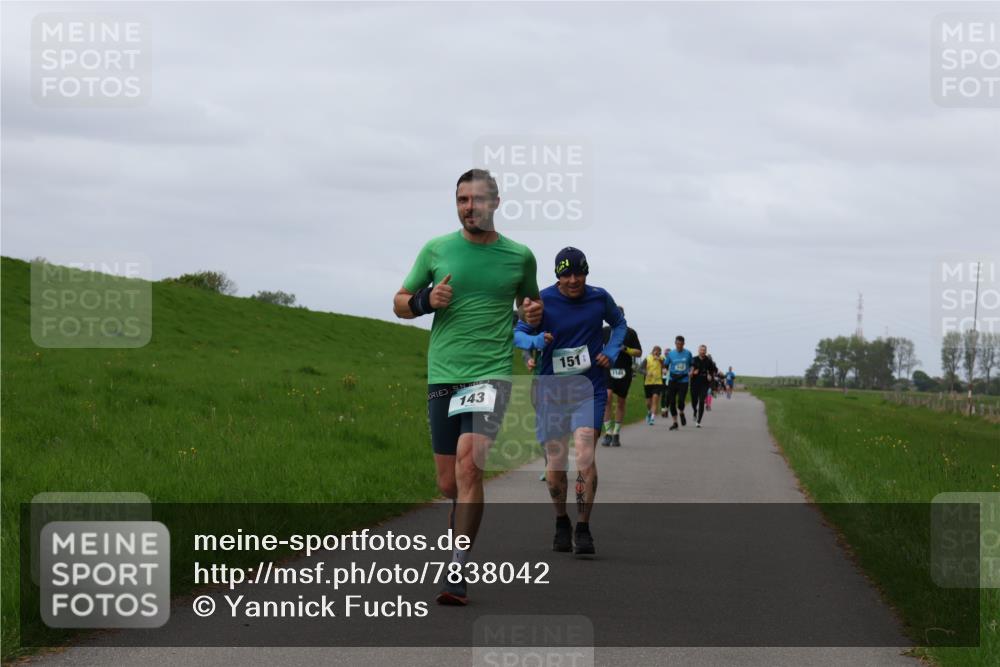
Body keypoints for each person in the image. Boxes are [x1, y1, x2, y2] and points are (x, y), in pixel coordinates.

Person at [393, 168, 541, 605]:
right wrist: (424, 301)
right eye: (461, 200)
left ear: (495, 203)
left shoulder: (520, 256)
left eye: (476, 200)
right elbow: (399, 303)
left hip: (491, 372)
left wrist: (534, 315)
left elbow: (530, 305)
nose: (468, 208)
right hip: (444, 372)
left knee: (470, 465)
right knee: (447, 482)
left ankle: (457, 569)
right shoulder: (436, 249)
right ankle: (461, 518)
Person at [515, 247, 625, 557]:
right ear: (557, 276)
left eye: (579, 273)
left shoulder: (599, 297)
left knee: (586, 456)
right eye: (567, 274)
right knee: (556, 466)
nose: (574, 280)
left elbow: (619, 324)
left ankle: (583, 527)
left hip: (589, 389)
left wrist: (613, 350)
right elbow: (519, 332)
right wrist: (536, 342)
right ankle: (561, 521)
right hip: (551, 392)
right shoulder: (543, 300)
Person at [601, 307, 641, 447]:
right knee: (607, 397)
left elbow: (638, 352)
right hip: (607, 369)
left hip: (624, 370)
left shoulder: (630, 333)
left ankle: (616, 434)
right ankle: (608, 432)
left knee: (621, 402)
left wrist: (626, 349)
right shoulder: (604, 331)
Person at [664, 335, 693, 431]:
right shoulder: (671, 354)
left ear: (683, 344)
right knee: (672, 402)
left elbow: (692, 365)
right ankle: (675, 422)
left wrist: (691, 371)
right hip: (673, 379)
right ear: (675, 344)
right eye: (677, 344)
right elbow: (665, 365)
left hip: (684, 380)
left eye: (681, 344)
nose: (679, 346)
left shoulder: (688, 353)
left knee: (681, 400)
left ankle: (681, 412)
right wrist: (664, 370)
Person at [690, 345, 718, 428]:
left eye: (704, 350)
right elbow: (690, 369)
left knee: (702, 401)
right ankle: (695, 411)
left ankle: (698, 421)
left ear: (706, 351)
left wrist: (710, 374)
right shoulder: (694, 359)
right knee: (694, 401)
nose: (703, 351)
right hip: (695, 382)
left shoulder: (708, 361)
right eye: (701, 350)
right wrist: (692, 372)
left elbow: (713, 370)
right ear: (698, 350)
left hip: (704, 383)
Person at [639, 346, 664, 425]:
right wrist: (646, 373)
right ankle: (649, 412)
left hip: (658, 382)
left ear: (660, 353)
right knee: (648, 403)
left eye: (658, 352)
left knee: (655, 399)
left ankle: (652, 418)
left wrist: (659, 360)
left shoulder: (662, 359)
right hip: (648, 383)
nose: (656, 353)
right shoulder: (647, 358)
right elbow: (640, 369)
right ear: (652, 351)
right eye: (655, 351)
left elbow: (665, 366)